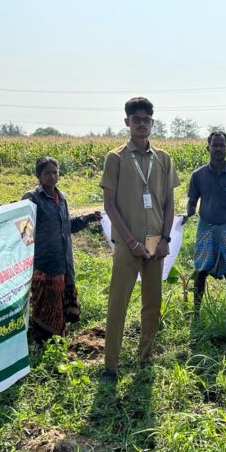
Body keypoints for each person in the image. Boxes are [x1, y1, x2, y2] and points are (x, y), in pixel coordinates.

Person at [100, 97, 180, 382]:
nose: (142, 124)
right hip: (127, 242)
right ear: (127, 122)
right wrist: (131, 242)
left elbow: (169, 203)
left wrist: (166, 238)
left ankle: (145, 358)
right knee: (118, 303)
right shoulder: (116, 158)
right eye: (137, 120)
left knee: (152, 303)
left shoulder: (164, 159)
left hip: (156, 241)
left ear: (152, 123)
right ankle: (111, 366)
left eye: (147, 120)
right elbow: (109, 205)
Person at [23, 156, 100, 341]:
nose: (52, 176)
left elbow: (67, 226)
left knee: (59, 306)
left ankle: (57, 341)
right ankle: (43, 342)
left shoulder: (61, 197)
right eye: (47, 173)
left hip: (63, 261)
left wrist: (89, 218)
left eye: (55, 172)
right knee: (46, 306)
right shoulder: (32, 198)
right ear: (38, 176)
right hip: (45, 264)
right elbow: (24, 233)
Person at [183, 131, 226, 311]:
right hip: (205, 228)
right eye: (214, 145)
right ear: (208, 148)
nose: (218, 148)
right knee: (201, 271)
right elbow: (192, 202)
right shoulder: (198, 175)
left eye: (221, 145)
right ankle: (196, 312)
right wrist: (187, 213)